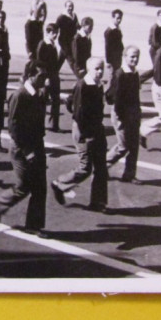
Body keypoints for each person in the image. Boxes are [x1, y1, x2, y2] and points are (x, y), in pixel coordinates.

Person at [0, 60, 49, 235]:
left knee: (40, 186)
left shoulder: (38, 94)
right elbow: (14, 128)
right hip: (21, 149)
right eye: (41, 76)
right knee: (25, 185)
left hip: (37, 145)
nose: (44, 79)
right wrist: (28, 151)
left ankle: (34, 225)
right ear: (30, 76)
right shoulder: (19, 96)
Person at [51, 57, 109, 212]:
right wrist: (87, 134)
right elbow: (78, 113)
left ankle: (98, 202)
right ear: (89, 69)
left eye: (102, 68)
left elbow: (70, 101)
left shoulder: (98, 85)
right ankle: (60, 183)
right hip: (85, 131)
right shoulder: (83, 85)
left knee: (101, 167)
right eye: (96, 68)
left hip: (97, 128)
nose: (100, 72)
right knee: (85, 167)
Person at [106, 46, 142, 183]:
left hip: (133, 113)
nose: (135, 59)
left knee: (133, 145)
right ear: (125, 57)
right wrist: (121, 116)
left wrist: (137, 112)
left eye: (137, 56)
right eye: (132, 56)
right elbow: (113, 96)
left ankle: (129, 174)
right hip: (121, 114)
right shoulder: (120, 74)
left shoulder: (134, 73)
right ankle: (102, 166)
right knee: (123, 145)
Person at [36, 23, 64, 132]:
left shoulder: (53, 45)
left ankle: (55, 125)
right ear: (47, 33)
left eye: (57, 33)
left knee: (56, 101)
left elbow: (55, 64)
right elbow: (39, 64)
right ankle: (40, 124)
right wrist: (45, 78)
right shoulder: (43, 44)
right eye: (53, 33)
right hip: (46, 78)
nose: (56, 35)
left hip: (54, 76)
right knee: (43, 102)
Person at [140, 10, 161, 83]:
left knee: (158, 67)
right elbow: (155, 42)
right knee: (156, 68)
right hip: (155, 50)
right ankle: (139, 79)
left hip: (157, 49)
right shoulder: (156, 27)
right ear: (158, 16)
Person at [56, 0, 80, 71]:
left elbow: (77, 25)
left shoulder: (74, 16)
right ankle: (79, 76)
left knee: (61, 59)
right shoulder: (61, 17)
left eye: (72, 6)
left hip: (72, 41)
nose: (70, 8)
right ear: (65, 7)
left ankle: (52, 73)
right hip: (64, 41)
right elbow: (56, 27)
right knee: (71, 60)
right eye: (69, 6)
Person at [104, 9, 124, 76]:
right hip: (112, 59)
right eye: (117, 18)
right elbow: (107, 47)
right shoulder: (109, 31)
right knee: (112, 77)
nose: (119, 20)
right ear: (112, 18)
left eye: (120, 18)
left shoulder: (117, 28)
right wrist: (108, 61)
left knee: (115, 76)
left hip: (118, 57)